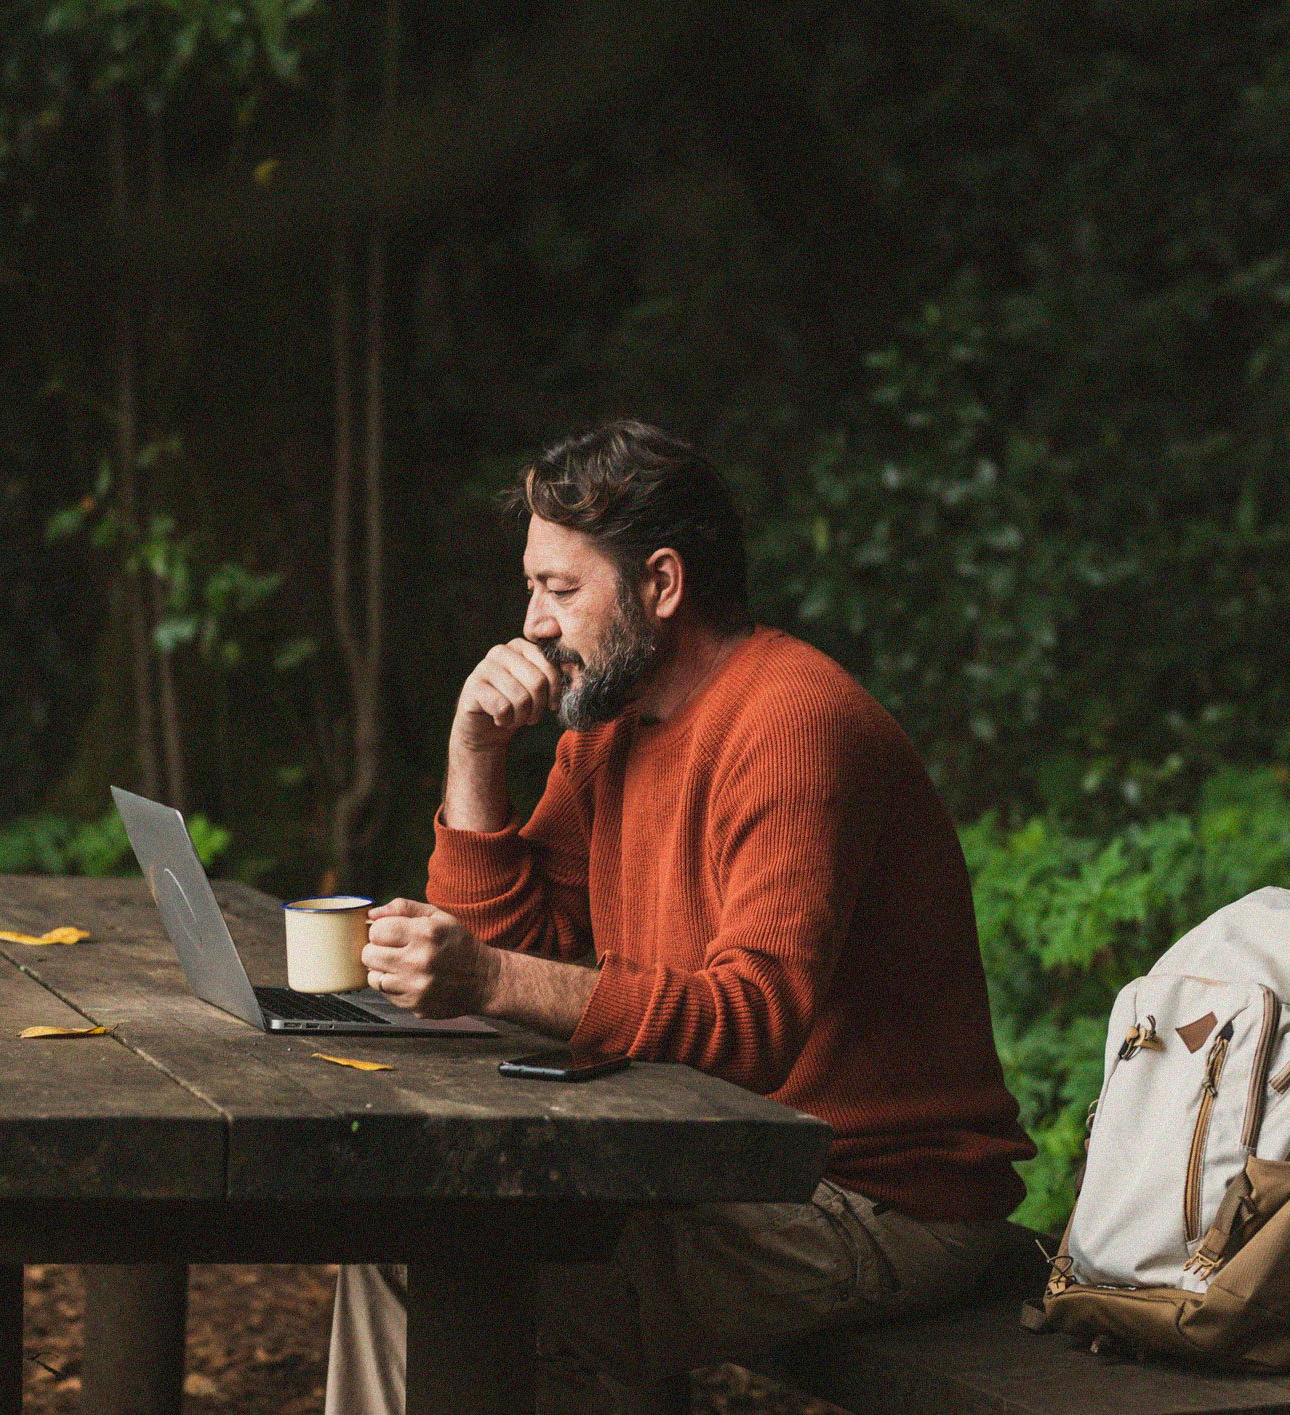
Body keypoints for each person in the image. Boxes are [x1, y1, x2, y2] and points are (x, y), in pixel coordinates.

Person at [324, 419, 1035, 1415]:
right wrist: (475, 751)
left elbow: (751, 1022)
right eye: (533, 587)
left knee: (432, 1265)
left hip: (869, 1197)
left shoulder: (792, 724)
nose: (531, 623)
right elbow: (520, 949)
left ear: (661, 583)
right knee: (437, 1256)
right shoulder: (609, 726)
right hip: (715, 1161)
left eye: (560, 590)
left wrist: (483, 977)